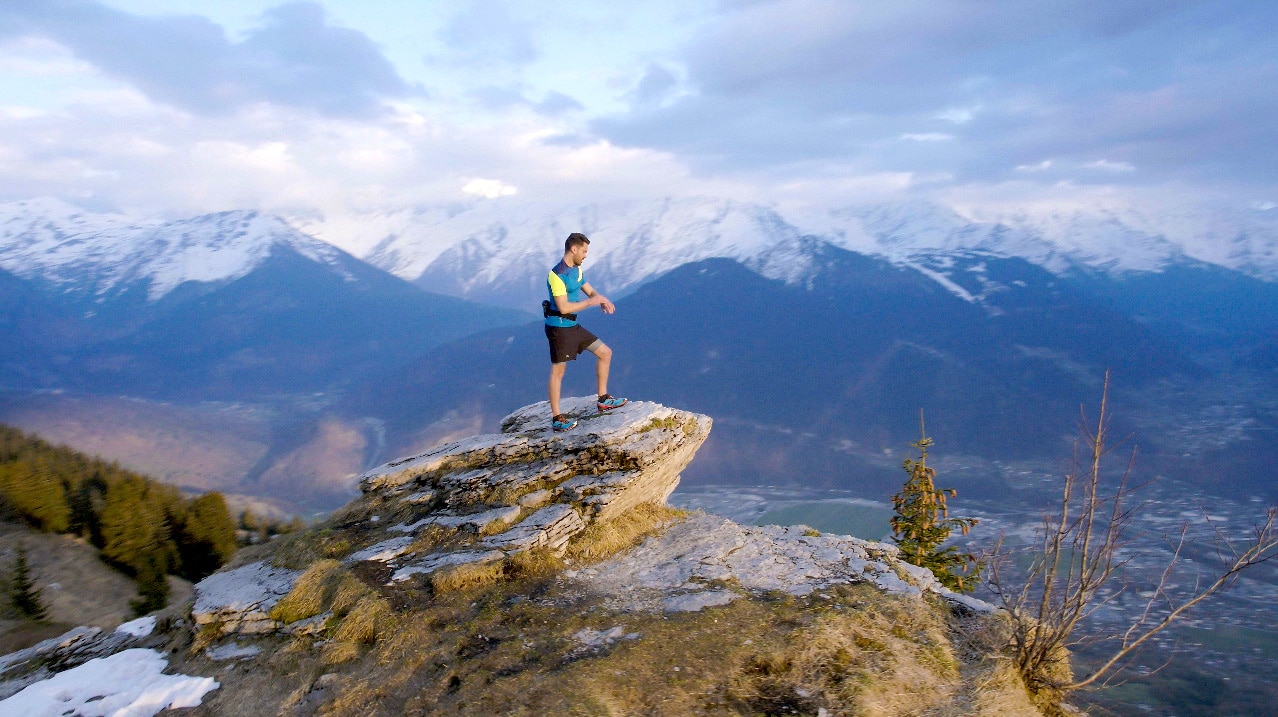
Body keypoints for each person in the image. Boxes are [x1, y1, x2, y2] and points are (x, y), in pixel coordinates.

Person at [544, 232, 627, 431]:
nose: (586, 255)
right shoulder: (556, 275)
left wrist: (602, 300)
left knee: (605, 353)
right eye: (584, 251)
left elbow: (590, 291)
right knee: (559, 370)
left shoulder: (577, 271)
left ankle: (603, 399)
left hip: (573, 326)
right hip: (559, 327)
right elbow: (563, 307)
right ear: (573, 249)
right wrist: (591, 302)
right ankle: (557, 418)